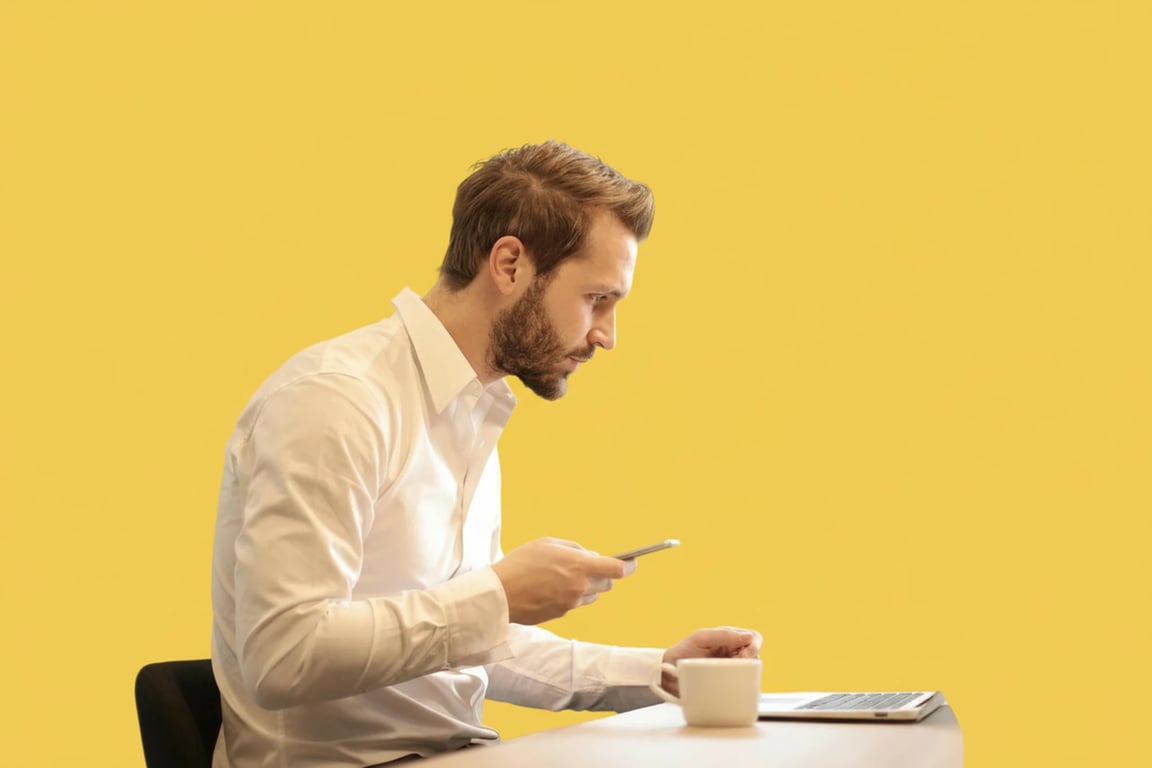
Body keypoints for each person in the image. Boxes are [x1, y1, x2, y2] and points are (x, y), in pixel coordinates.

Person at [210, 140, 761, 768]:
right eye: (596, 299)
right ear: (508, 265)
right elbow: (283, 655)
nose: (607, 336)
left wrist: (658, 673)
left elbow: (461, 642)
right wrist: (497, 594)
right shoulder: (338, 402)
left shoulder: (470, 411)